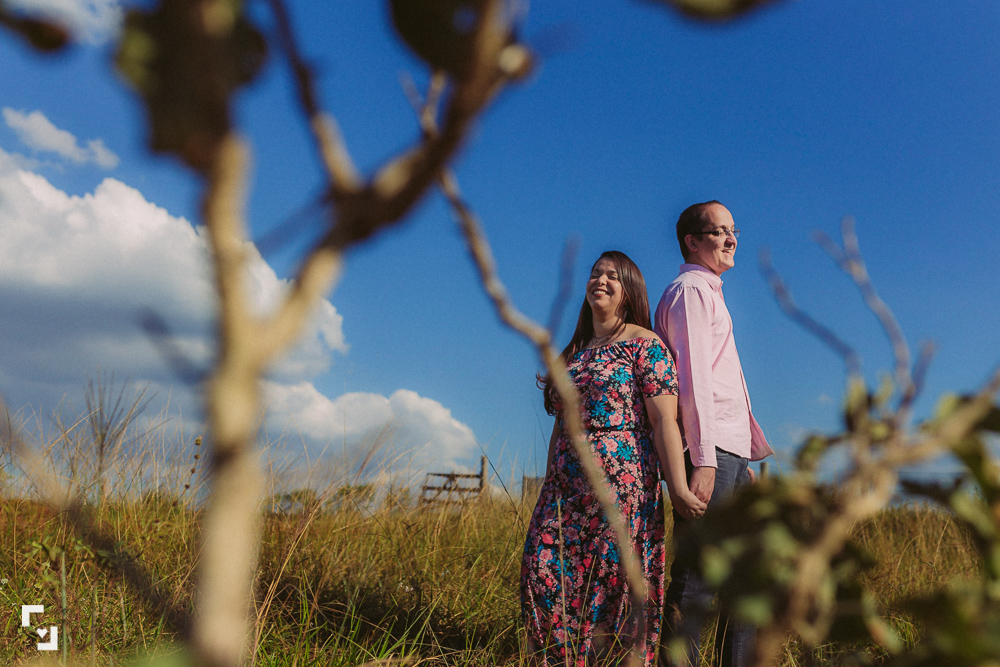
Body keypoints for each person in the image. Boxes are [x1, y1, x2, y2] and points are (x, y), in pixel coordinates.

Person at [522, 250, 706, 667]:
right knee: (541, 574)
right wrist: (550, 482)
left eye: (612, 276)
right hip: (564, 491)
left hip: (621, 488)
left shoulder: (646, 344)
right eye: (595, 274)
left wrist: (677, 487)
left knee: (611, 586)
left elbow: (663, 421)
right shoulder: (574, 353)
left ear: (629, 289)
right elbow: (561, 426)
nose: (600, 281)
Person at [653, 201, 773, 667]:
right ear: (691, 241)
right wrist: (704, 459)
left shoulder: (709, 292)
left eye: (733, 230)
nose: (730, 238)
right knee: (698, 578)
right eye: (719, 231)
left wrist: (743, 460)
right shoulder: (690, 292)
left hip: (729, 455)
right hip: (712, 453)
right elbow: (694, 380)